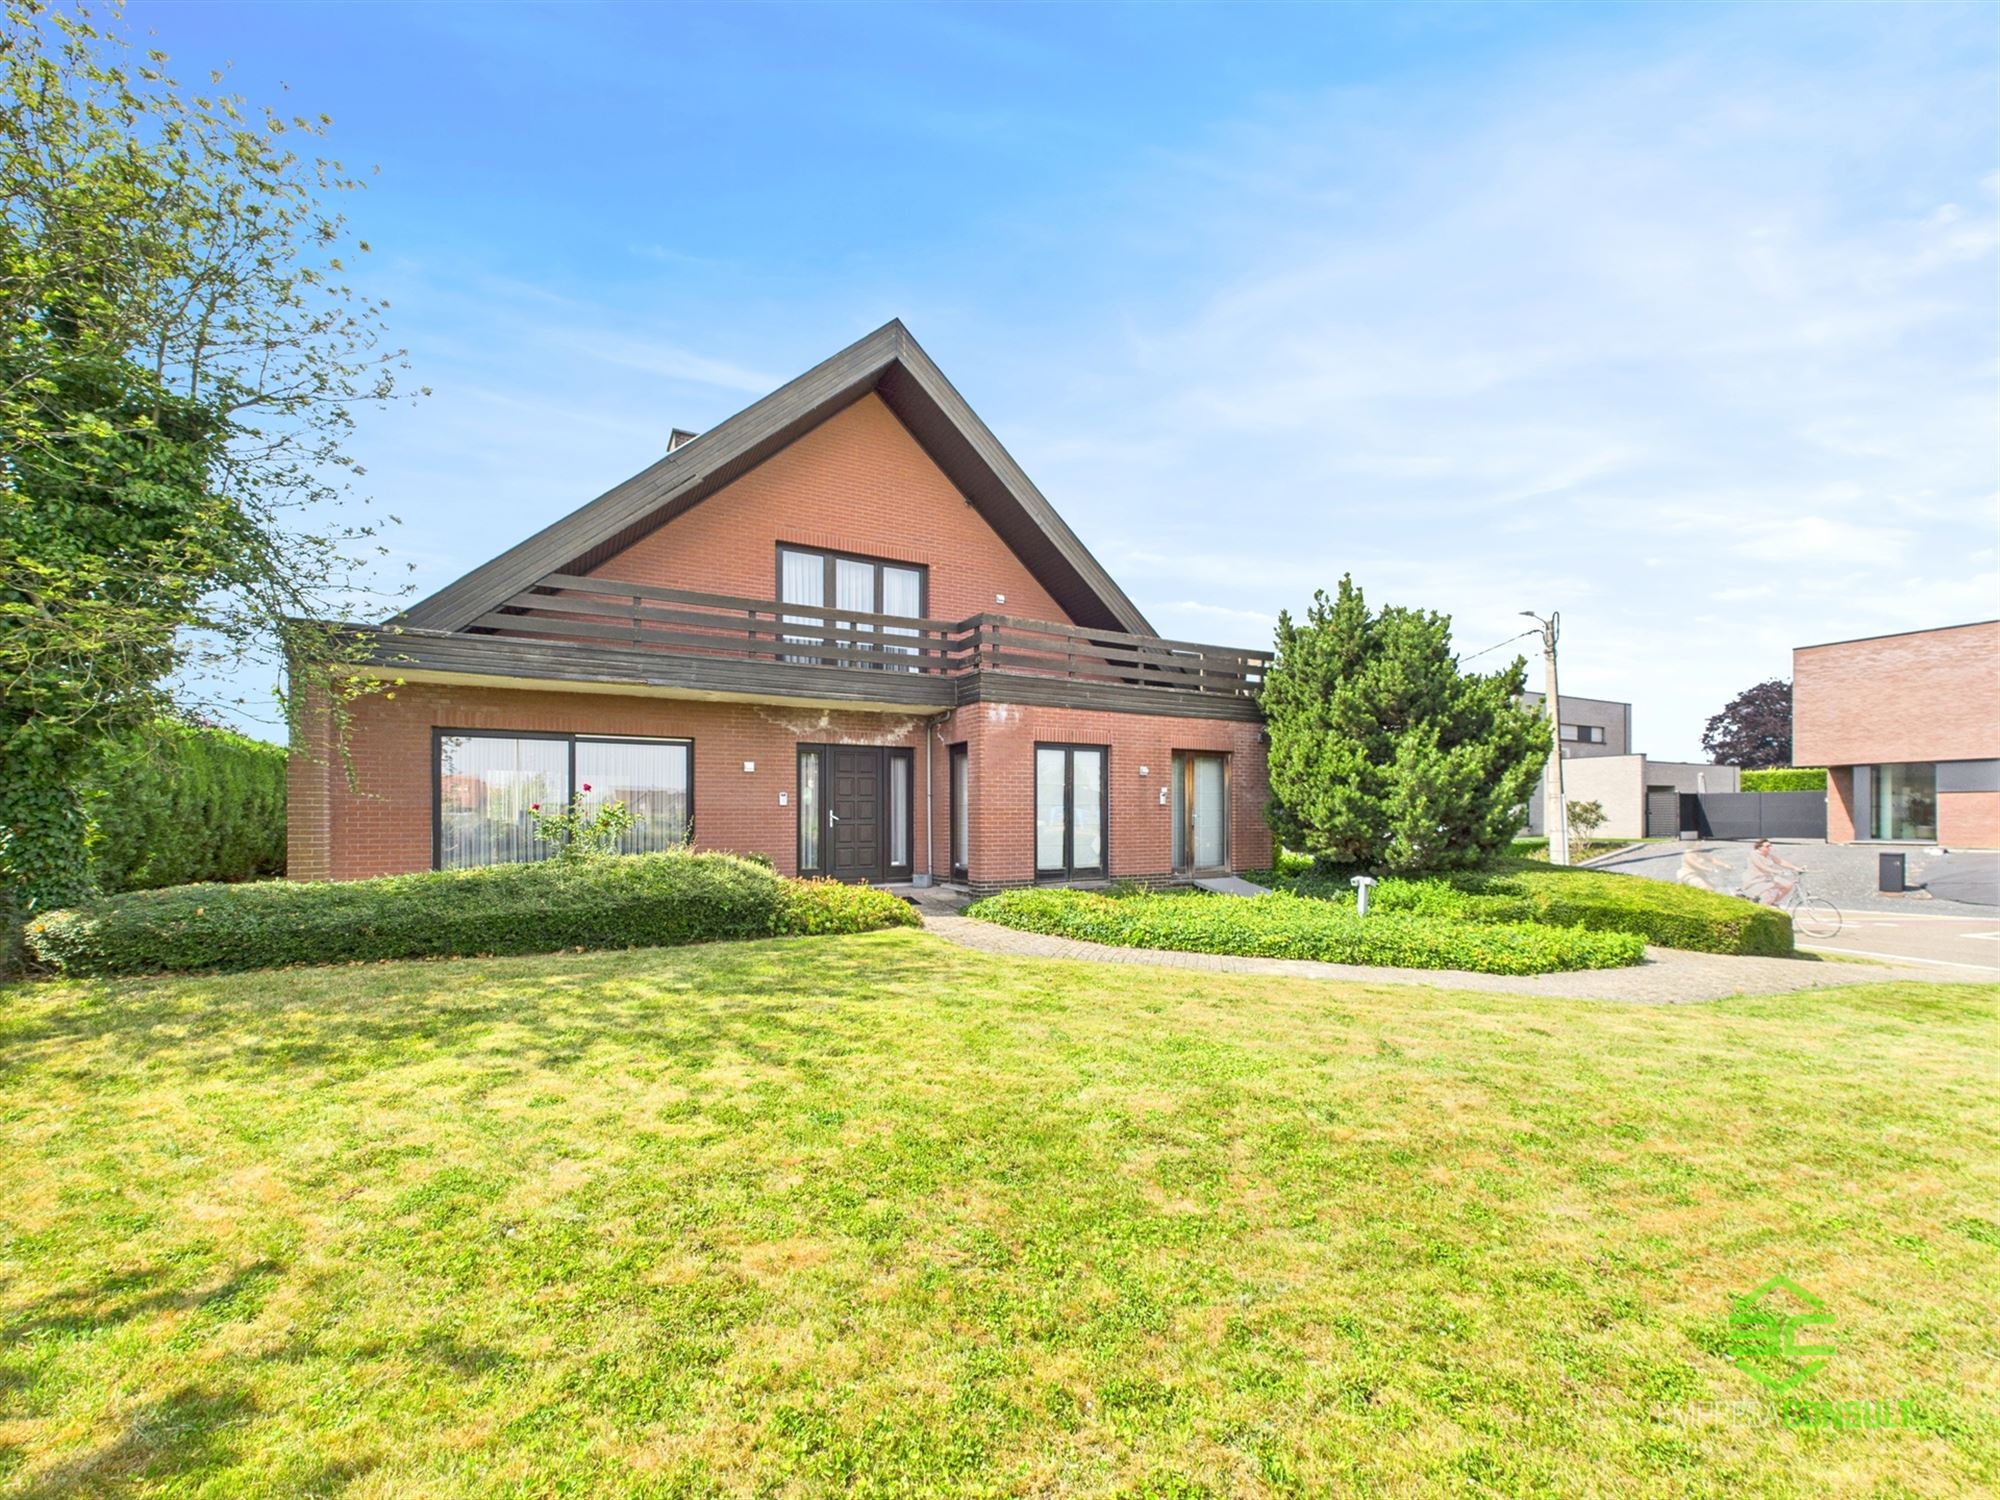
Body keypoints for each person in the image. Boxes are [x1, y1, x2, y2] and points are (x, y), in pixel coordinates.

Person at [1741, 839, 1804, 907]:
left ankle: (1773, 902)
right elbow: (1762, 866)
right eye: (1767, 846)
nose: (1770, 848)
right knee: (1767, 898)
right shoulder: (1753, 854)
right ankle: (1764, 908)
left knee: (1788, 885)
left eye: (1770, 846)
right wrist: (1778, 871)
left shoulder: (1769, 855)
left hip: (1768, 878)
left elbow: (1780, 862)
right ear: (1760, 847)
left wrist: (1795, 868)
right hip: (1756, 880)